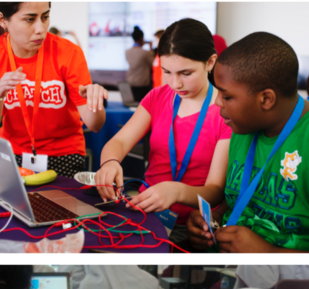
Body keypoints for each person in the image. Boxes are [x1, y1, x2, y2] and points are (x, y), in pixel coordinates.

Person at [95, 18, 230, 247]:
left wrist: (175, 191)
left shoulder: (225, 112)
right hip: (144, 215)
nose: (175, 83)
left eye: (185, 73)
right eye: (167, 72)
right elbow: (118, 142)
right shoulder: (158, 97)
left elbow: (215, 191)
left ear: (210, 62)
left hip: (192, 227)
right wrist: (109, 162)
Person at [188, 32, 309, 253]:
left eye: (226, 97)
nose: (217, 102)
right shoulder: (242, 125)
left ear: (266, 99)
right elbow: (242, 194)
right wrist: (214, 218)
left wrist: (268, 253)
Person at [0, 2, 109, 175]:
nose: (40, 29)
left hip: (65, 155)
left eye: (45, 17)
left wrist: (95, 101)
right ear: (2, 20)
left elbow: (94, 125)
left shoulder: (69, 53)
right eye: (29, 19)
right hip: (12, 154)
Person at [124, 26, 153, 102]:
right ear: (142, 38)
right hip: (142, 83)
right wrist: (150, 48)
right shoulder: (145, 53)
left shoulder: (127, 51)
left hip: (130, 82)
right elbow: (152, 63)